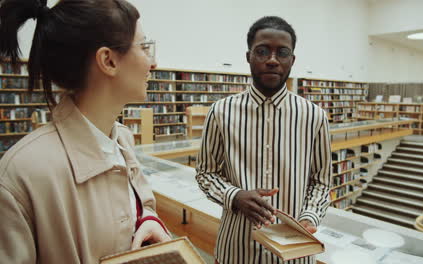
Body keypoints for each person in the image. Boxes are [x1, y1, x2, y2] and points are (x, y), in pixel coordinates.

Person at [0, 0, 170, 263]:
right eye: (144, 47)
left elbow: (142, 202)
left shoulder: (122, 138)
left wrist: (148, 219)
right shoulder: (20, 176)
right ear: (108, 60)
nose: (154, 62)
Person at [196, 16, 332, 264]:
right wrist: (234, 196)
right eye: (262, 51)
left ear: (292, 60)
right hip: (236, 252)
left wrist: (309, 218)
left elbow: (321, 182)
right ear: (248, 56)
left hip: (294, 256)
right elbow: (206, 173)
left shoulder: (315, 116)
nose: (272, 60)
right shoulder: (220, 112)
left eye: (282, 53)